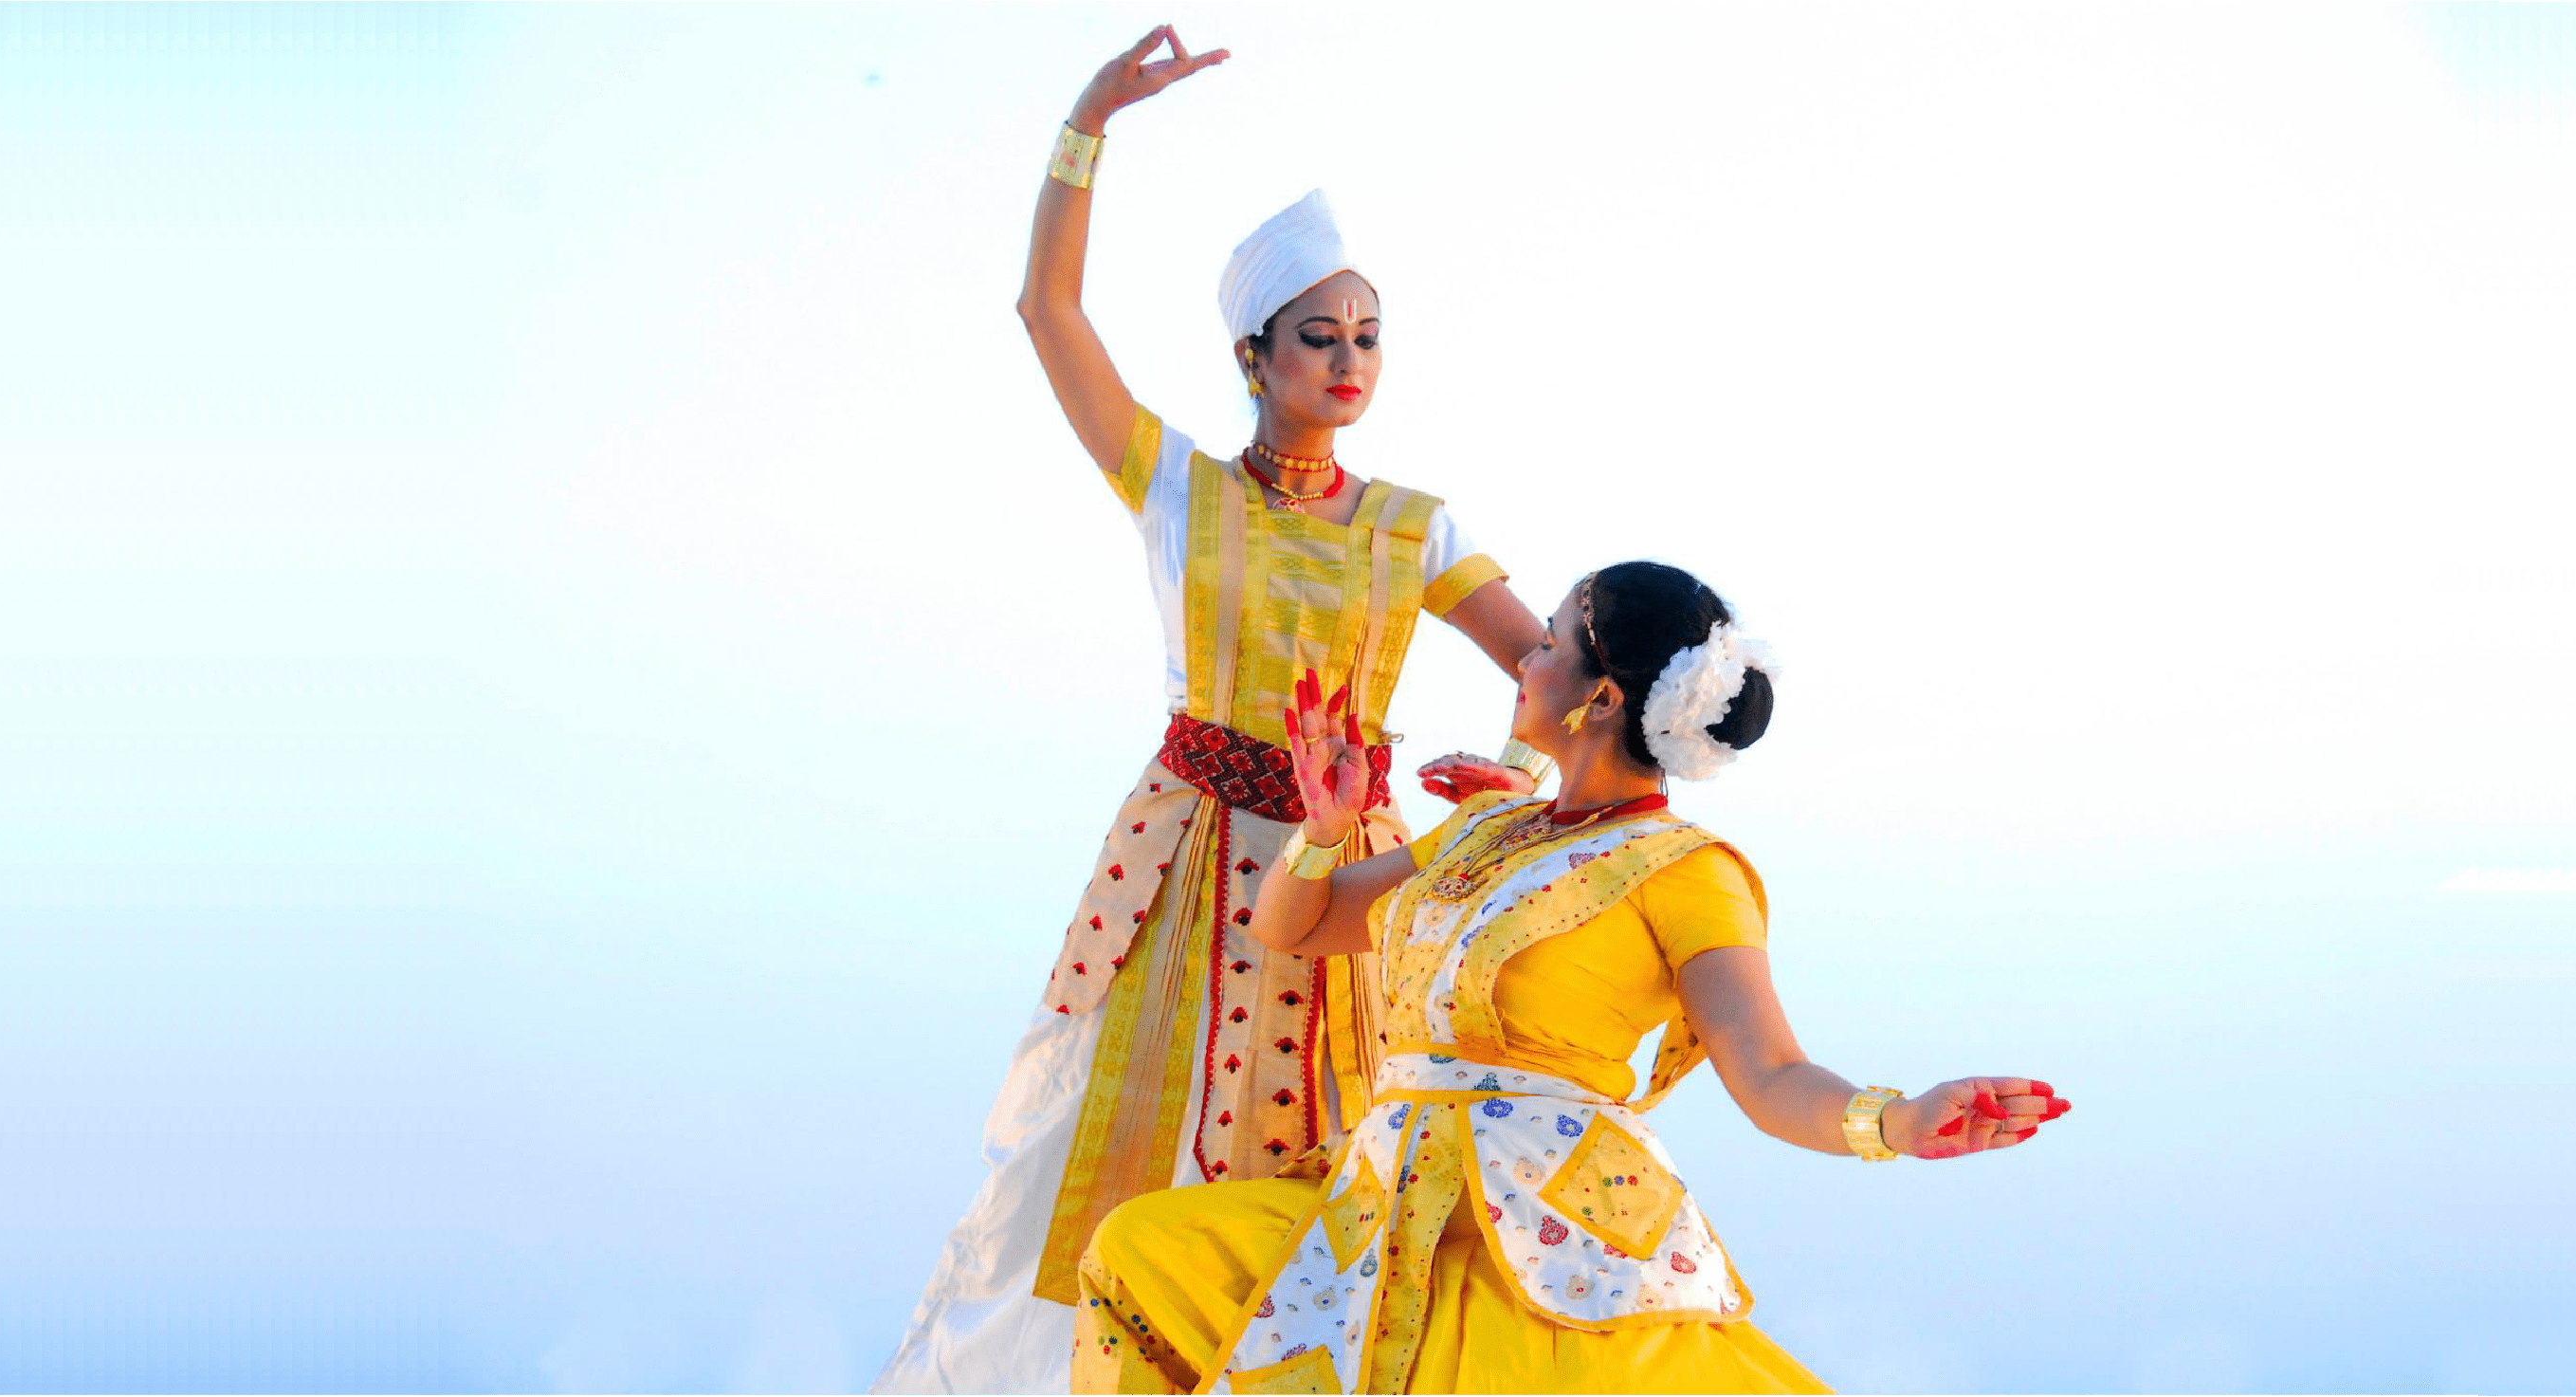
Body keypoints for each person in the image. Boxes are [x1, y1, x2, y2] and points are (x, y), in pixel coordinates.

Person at [880, 28, 1555, 1394]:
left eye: (1368, 337)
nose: (1350, 360)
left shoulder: (1413, 528)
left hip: (1351, 873)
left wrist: (1513, 775)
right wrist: (1087, 124)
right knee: (1124, 1143)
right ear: (1256, 354)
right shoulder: (1187, 492)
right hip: (1193, 859)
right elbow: (1049, 320)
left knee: (1345, 1150)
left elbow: (1546, 666)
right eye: (1321, 337)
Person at [1068, 561, 2073, 1395]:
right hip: (1375, 1201)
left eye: (1548, 640)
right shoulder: (1486, 829)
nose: (1528, 656)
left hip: (1542, 1229)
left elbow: (1768, 1073)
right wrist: (1323, 833)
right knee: (1139, 1252)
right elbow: (1302, 926)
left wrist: (1891, 1123)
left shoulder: (1687, 872)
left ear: (1599, 694)